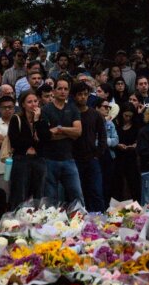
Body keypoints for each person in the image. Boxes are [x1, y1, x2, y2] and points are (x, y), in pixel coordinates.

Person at [40, 78, 83, 208]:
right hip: (49, 159)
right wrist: (69, 134)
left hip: (68, 158)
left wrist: (60, 129)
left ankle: (81, 223)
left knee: (77, 195)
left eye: (65, 89)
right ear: (54, 91)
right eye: (60, 88)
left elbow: (78, 132)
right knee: (51, 198)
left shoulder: (73, 108)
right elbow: (46, 136)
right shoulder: (46, 109)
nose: (63, 91)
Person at [8, 90, 51, 208]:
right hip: (21, 160)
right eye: (29, 102)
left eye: (35, 101)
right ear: (23, 104)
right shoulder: (16, 119)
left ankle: (36, 220)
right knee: (20, 195)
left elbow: (46, 138)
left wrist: (37, 121)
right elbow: (16, 141)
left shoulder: (42, 119)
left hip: (39, 159)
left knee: (39, 194)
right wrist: (34, 141)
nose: (33, 104)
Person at [72, 83, 107, 211]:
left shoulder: (95, 114)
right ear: (74, 96)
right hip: (74, 159)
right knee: (78, 193)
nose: (83, 97)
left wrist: (98, 154)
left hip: (92, 158)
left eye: (85, 94)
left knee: (96, 191)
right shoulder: (70, 112)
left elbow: (103, 136)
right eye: (80, 94)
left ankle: (99, 220)